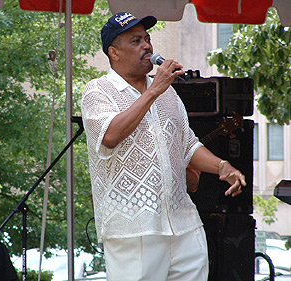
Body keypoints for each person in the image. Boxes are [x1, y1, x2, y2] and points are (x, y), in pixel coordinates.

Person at [81, 12, 246, 281]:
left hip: (183, 223)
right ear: (114, 53)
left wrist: (222, 166)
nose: (147, 46)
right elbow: (109, 136)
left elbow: (188, 145)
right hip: (135, 228)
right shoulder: (97, 91)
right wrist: (153, 91)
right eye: (135, 41)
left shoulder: (168, 93)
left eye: (147, 38)